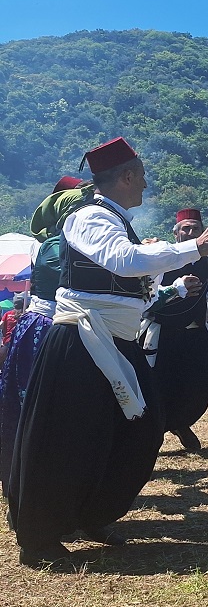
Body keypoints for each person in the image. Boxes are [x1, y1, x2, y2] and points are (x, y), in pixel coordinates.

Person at [8, 137, 208, 568]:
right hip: (82, 339)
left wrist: (168, 276)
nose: (146, 187)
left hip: (115, 340)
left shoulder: (113, 218)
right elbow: (123, 260)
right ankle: (39, 539)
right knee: (67, 437)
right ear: (126, 176)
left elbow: (131, 278)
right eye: (142, 178)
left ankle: (93, 512)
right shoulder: (89, 216)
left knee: (138, 429)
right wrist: (194, 248)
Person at [0, 178, 88, 494]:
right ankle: (33, 484)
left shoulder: (57, 242)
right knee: (40, 411)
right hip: (49, 331)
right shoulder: (58, 246)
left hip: (46, 329)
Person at [142, 208, 208, 451]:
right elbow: (147, 295)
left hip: (195, 334)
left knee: (198, 385)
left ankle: (180, 423)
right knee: (161, 385)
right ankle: (156, 434)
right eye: (185, 229)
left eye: (195, 229)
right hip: (166, 334)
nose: (190, 233)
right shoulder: (162, 257)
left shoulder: (205, 261)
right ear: (176, 232)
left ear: (202, 233)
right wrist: (175, 290)